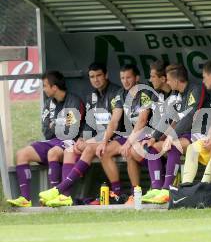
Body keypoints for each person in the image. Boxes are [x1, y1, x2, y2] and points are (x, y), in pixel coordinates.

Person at [38, 63, 120, 207]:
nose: (96, 80)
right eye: (92, 77)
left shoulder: (116, 93)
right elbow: (89, 122)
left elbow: (115, 124)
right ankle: (65, 197)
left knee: (88, 148)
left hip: (115, 137)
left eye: (99, 75)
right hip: (97, 139)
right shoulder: (91, 96)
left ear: (106, 75)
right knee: (71, 149)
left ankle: (59, 189)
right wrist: (83, 137)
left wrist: (92, 140)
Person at [7, 71, 84, 207]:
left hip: (71, 141)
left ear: (54, 87)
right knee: (21, 154)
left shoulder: (74, 101)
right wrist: (59, 124)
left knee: (52, 152)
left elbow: (71, 130)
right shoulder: (48, 104)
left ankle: (54, 196)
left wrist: (54, 124)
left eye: (45, 86)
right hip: (53, 140)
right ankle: (25, 199)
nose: (43, 89)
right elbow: (46, 131)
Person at [141, 64, 207, 204]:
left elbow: (190, 116)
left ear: (176, 81)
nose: (168, 83)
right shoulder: (177, 94)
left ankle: (167, 189)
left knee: (173, 145)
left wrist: (171, 136)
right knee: (152, 147)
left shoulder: (196, 89)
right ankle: (157, 188)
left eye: (169, 80)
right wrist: (154, 137)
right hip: (183, 135)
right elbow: (168, 117)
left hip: (200, 134)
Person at [95, 64, 152, 205]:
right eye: (122, 78)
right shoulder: (120, 94)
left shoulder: (145, 92)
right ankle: (117, 193)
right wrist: (104, 141)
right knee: (104, 151)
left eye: (128, 77)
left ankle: (135, 194)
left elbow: (143, 120)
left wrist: (128, 142)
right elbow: (114, 121)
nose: (125, 81)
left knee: (129, 151)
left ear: (136, 78)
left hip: (149, 134)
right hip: (132, 135)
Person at [124, 60, 172, 203]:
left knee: (150, 147)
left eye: (153, 77)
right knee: (133, 151)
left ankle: (160, 187)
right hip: (155, 135)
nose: (150, 80)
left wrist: (156, 137)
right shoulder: (155, 93)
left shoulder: (175, 95)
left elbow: (174, 122)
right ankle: (136, 194)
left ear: (163, 79)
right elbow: (143, 117)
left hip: (171, 137)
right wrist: (131, 141)